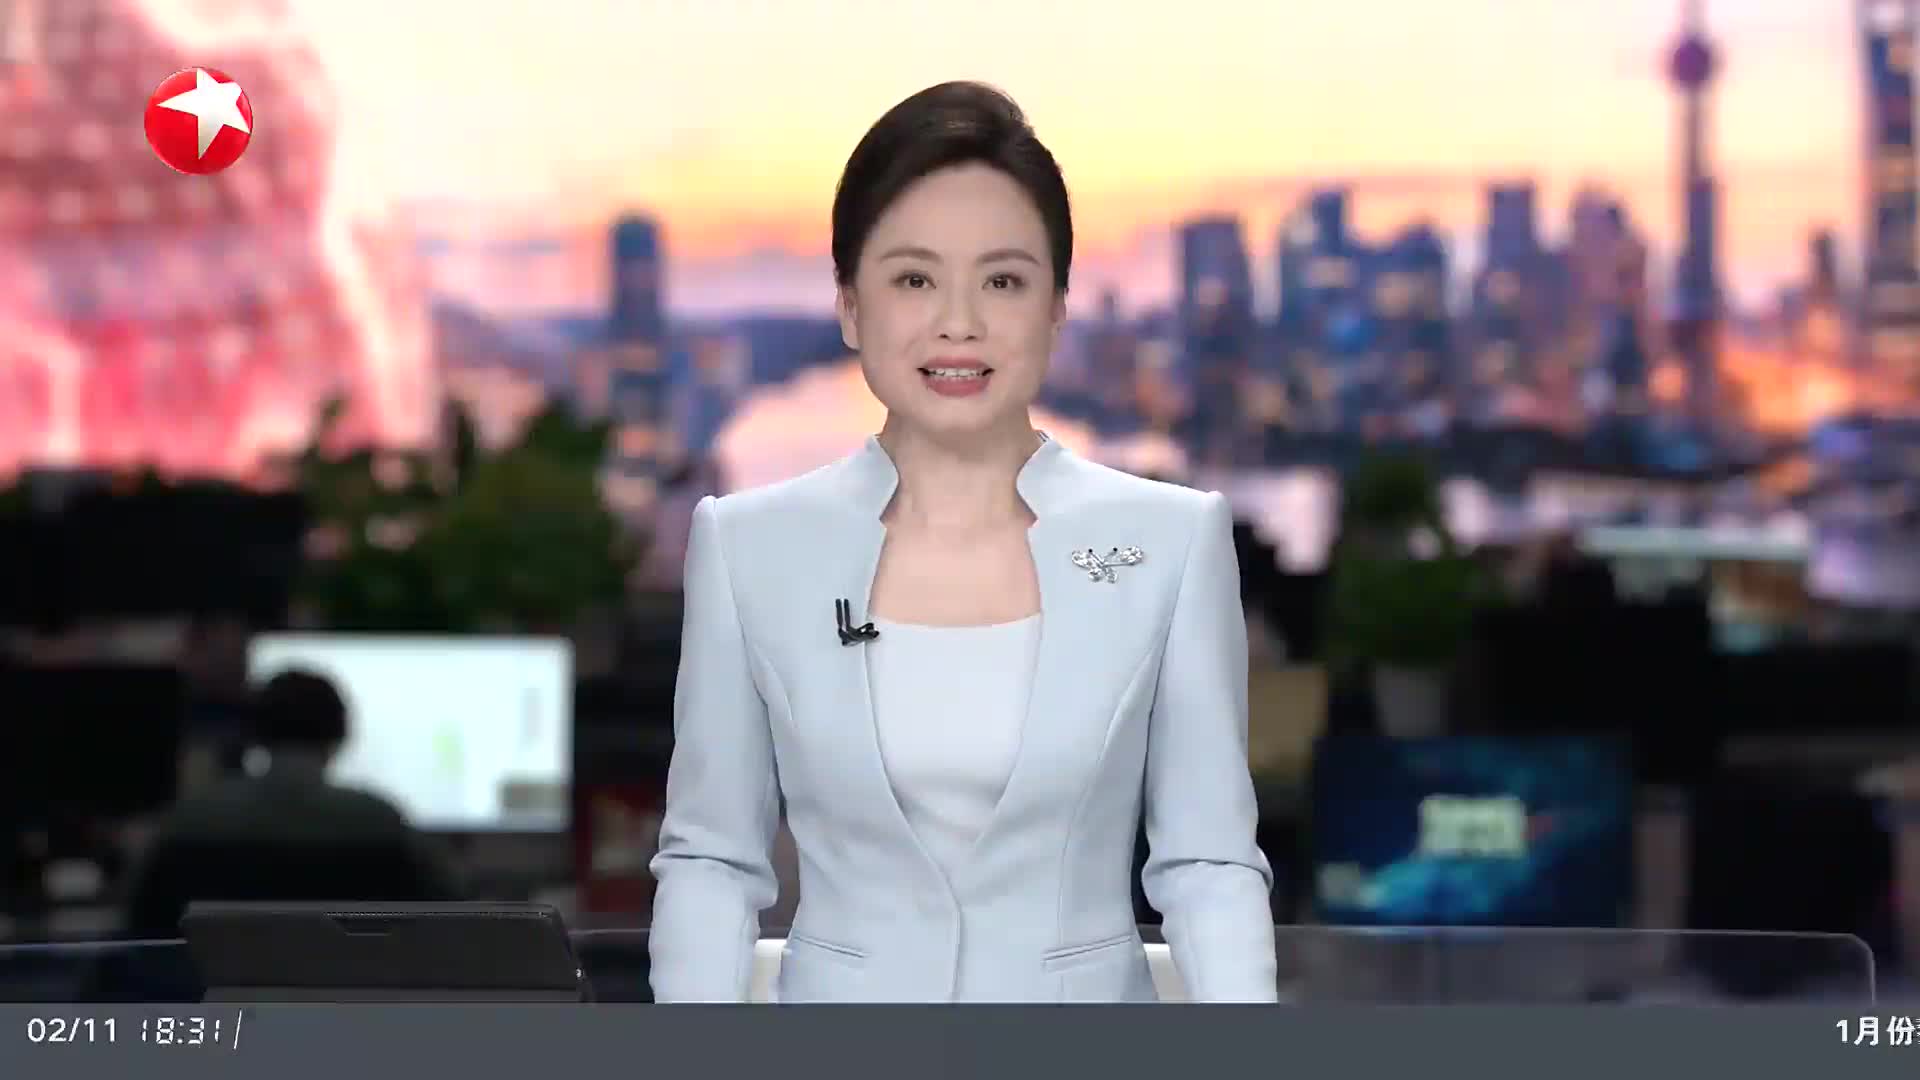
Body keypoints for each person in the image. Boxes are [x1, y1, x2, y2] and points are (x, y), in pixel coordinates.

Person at [648, 81, 1277, 1003]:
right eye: (914, 279)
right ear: (849, 306)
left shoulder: (1171, 542)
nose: (959, 322)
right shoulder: (747, 548)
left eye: (1003, 281)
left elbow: (1208, 865)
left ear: (1057, 308)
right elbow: (711, 861)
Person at [122, 669, 460, 938]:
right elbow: (451, 915)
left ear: (254, 733)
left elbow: (140, 919)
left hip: (216, 997)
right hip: (349, 996)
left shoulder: (192, 819)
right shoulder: (380, 820)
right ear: (341, 736)